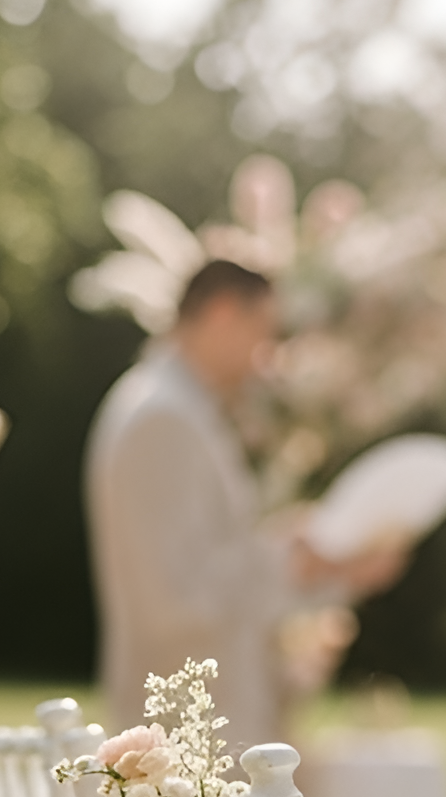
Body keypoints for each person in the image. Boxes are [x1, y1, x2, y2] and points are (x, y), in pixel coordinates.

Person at [85, 259, 399, 746]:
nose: (268, 356)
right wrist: (296, 556)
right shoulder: (161, 418)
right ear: (224, 312)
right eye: (264, 331)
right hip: (189, 739)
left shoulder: (181, 411)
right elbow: (173, 597)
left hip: (211, 727)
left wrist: (329, 570)